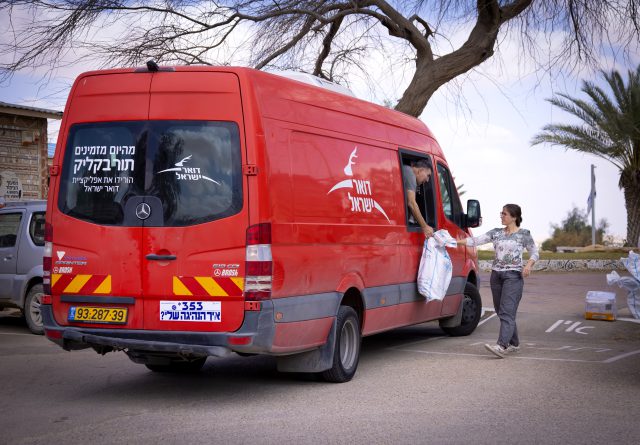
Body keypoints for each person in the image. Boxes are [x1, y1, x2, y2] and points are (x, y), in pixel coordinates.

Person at [458, 204, 539, 358]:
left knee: (507, 310)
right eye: (501, 213)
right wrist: (453, 241)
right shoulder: (496, 233)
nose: (501, 216)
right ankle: (514, 344)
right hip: (496, 276)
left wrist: (529, 265)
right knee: (501, 310)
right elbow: (475, 241)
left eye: (504, 214)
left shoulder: (524, 234)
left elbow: (534, 252)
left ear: (514, 217)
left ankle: (502, 345)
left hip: (513, 277)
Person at [403, 159, 434, 238]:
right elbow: (411, 203)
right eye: (428, 175)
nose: (427, 180)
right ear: (420, 170)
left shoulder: (406, 170)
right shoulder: (410, 174)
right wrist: (425, 227)